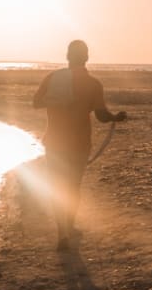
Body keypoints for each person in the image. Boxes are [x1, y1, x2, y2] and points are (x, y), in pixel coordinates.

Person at [33, 40, 126, 251]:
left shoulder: (52, 78)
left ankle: (62, 233)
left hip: (55, 141)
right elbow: (102, 116)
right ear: (86, 58)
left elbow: (36, 102)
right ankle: (70, 226)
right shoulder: (93, 84)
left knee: (57, 186)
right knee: (73, 186)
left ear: (67, 56)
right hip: (79, 143)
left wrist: (58, 100)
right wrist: (116, 118)